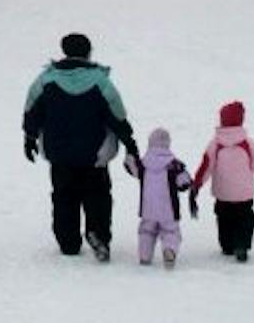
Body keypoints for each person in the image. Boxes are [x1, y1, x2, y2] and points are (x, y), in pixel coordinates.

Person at [21, 32, 139, 261]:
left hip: (59, 153)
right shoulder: (100, 82)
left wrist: (30, 137)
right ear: (87, 52)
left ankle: (68, 242)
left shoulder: (46, 80)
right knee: (97, 196)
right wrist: (130, 144)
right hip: (94, 154)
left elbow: (31, 110)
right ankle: (99, 235)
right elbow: (117, 115)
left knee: (64, 196)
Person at [190, 101, 254, 261]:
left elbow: (206, 167)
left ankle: (227, 245)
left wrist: (197, 184)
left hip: (223, 194)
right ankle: (241, 245)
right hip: (243, 195)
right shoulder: (248, 143)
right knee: (245, 219)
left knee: (224, 219)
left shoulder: (215, 144)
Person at [122, 127, 193, 267]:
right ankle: (169, 250)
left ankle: (144, 256)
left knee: (146, 231)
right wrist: (188, 182)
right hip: (169, 210)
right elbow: (184, 182)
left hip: (148, 209)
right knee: (171, 231)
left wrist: (129, 159)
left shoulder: (144, 163)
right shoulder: (174, 165)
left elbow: (132, 168)